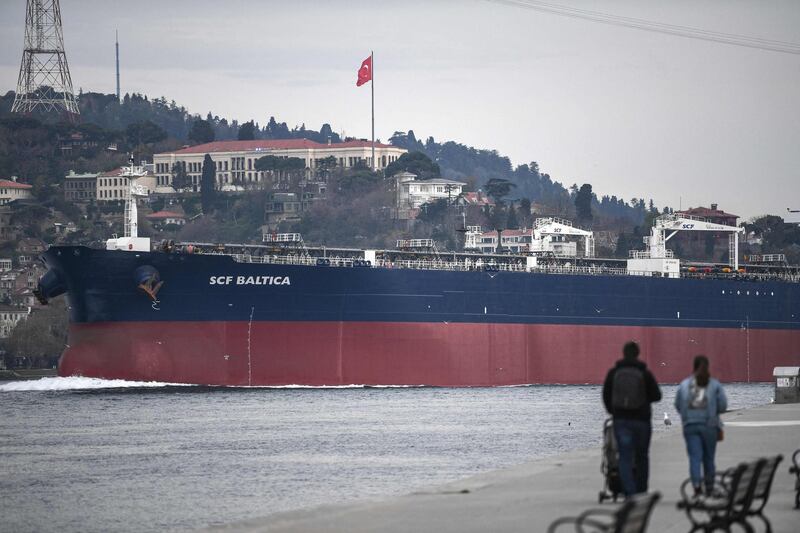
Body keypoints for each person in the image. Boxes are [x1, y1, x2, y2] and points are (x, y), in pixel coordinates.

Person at [602, 341, 662, 497]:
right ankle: (641, 489)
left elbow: (606, 394)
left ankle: (629, 491)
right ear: (637, 354)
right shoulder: (645, 373)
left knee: (624, 455)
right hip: (641, 421)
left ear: (623, 353)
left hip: (621, 420)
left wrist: (613, 411)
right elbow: (657, 396)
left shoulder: (614, 373)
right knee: (642, 455)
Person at [674, 355, 728, 497]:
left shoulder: (684, 384)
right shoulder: (714, 385)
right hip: (709, 426)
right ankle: (709, 488)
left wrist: (688, 417)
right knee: (709, 459)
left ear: (694, 366)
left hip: (690, 427)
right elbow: (723, 406)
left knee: (694, 458)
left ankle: (697, 488)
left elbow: (678, 405)